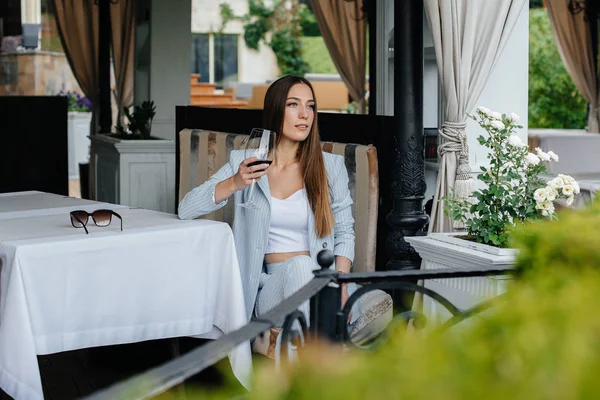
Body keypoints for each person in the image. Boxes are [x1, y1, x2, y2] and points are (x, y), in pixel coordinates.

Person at [178, 75, 356, 358]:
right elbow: (186, 208)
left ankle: (291, 365)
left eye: (310, 106)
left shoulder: (329, 167)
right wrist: (235, 183)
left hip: (323, 283)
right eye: (293, 105)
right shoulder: (246, 162)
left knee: (314, 276)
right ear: (275, 110)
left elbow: (345, 232)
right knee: (300, 266)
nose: (304, 114)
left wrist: (342, 285)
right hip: (269, 289)